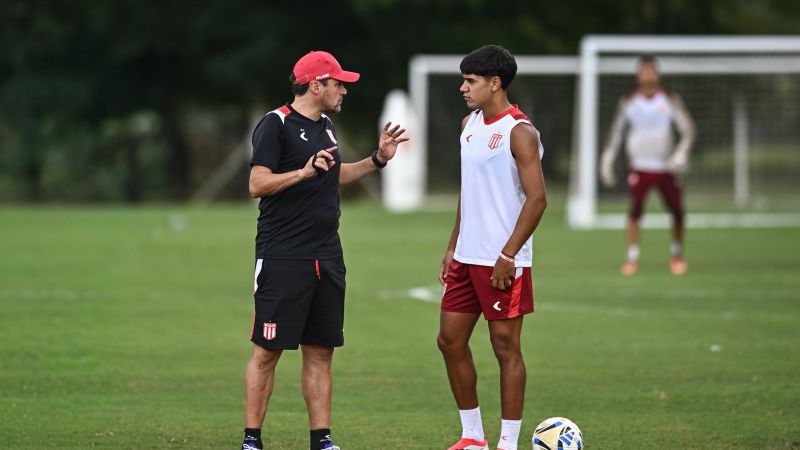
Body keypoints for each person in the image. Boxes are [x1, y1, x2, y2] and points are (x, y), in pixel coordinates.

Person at [242, 50, 408, 450]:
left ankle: (322, 440)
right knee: (268, 352)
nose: (344, 90)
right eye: (338, 83)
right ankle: (252, 440)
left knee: (321, 352)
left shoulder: (327, 126)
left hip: (327, 257)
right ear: (316, 85)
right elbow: (256, 184)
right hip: (283, 256)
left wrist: (377, 159)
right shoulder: (275, 124)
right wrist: (302, 172)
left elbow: (334, 174)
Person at [437, 45, 547, 450]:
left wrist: (508, 255)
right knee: (449, 341)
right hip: (467, 258)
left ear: (495, 83)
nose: (463, 88)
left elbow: (537, 200)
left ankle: (507, 443)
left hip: (502, 262)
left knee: (505, 348)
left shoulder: (521, 132)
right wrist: (453, 247)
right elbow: (469, 193)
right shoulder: (469, 123)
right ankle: (473, 437)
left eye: (471, 81)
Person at [600, 55, 696, 276]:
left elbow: (688, 130)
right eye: (644, 71)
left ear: (658, 74)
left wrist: (681, 154)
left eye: (652, 71)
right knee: (635, 211)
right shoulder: (629, 101)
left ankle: (677, 254)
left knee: (677, 212)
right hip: (640, 166)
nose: (648, 75)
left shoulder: (669, 99)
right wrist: (608, 158)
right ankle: (632, 257)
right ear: (638, 74)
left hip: (667, 167)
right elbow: (616, 133)